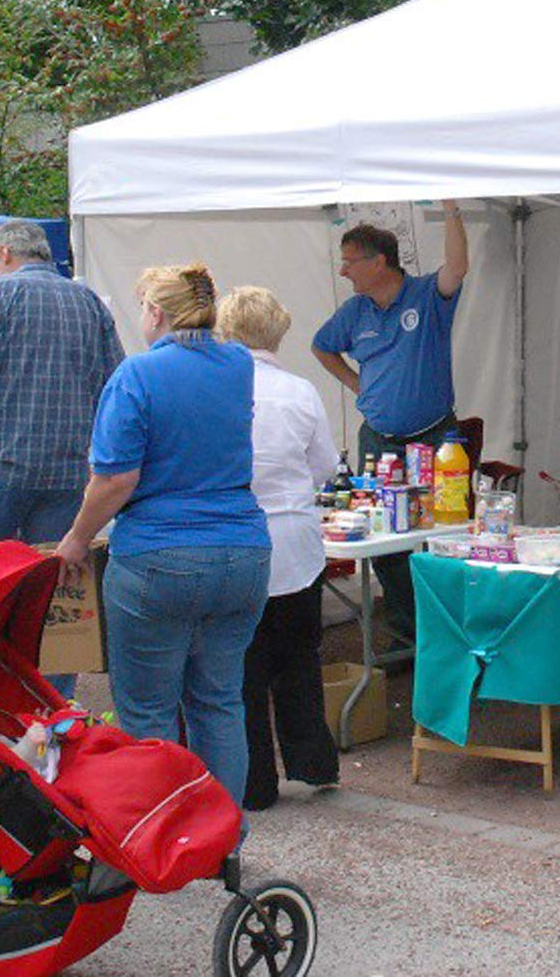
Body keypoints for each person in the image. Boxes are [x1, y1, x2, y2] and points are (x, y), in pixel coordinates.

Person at [55, 264, 270, 809]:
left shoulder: (137, 375)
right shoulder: (238, 363)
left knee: (149, 712)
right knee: (219, 701)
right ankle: (223, 839)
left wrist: (77, 538)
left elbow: (115, 479)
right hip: (242, 551)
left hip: (158, 555)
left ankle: (161, 834)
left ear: (155, 312)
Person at [311, 200, 469, 644]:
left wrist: (452, 210)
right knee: (386, 538)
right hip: (380, 441)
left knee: (440, 537)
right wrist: (358, 385)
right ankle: (408, 636)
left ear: (379, 261)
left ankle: (447, 636)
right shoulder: (355, 312)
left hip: (435, 438)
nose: (344, 272)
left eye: (350, 262)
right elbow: (322, 347)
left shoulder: (425, 295)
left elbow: (457, 266)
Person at [216, 286, 341, 811]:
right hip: (294, 539)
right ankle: (313, 763)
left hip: (238, 537)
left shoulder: (217, 391)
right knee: (298, 658)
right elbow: (326, 468)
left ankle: (253, 784)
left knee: (242, 670)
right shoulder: (300, 390)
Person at [0, 220, 123, 553]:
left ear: (5, 254)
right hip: (67, 472)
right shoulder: (90, 302)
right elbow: (114, 390)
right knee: (47, 586)